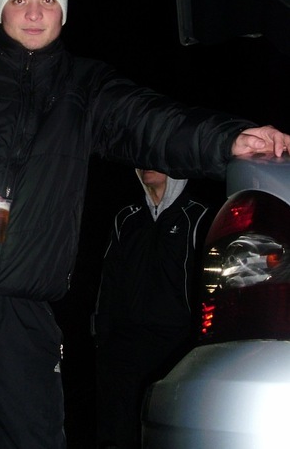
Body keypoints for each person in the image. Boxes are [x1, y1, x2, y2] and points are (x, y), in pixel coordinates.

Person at [0, 0, 290, 449]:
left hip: (24, 308)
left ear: (63, 13)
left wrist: (230, 139)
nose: (33, 12)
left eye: (47, 1)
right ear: (0, 10)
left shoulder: (85, 86)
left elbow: (153, 122)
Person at [91, 169, 216, 449]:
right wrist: (102, 336)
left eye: (158, 157)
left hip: (175, 347)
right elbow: (108, 281)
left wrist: (200, 343)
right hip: (124, 347)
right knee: (118, 434)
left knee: (166, 433)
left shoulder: (199, 216)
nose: (148, 163)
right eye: (144, 157)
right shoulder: (126, 218)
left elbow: (209, 287)